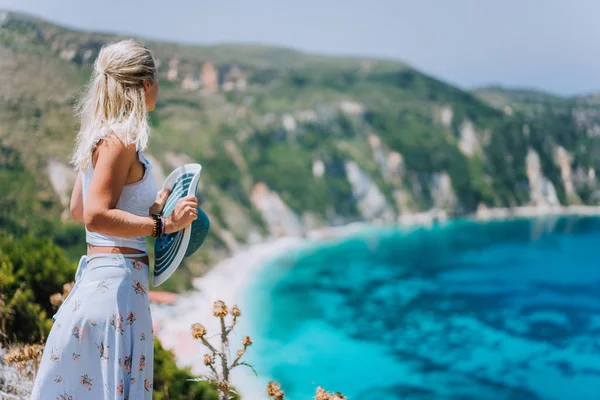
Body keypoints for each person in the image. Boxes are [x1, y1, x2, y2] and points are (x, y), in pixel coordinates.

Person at [32, 40, 198, 399]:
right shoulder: (121, 139)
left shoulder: (101, 137)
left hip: (104, 284)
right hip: (118, 291)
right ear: (144, 84)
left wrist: (149, 209)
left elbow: (80, 209)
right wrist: (163, 226)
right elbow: (94, 215)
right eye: (156, 78)